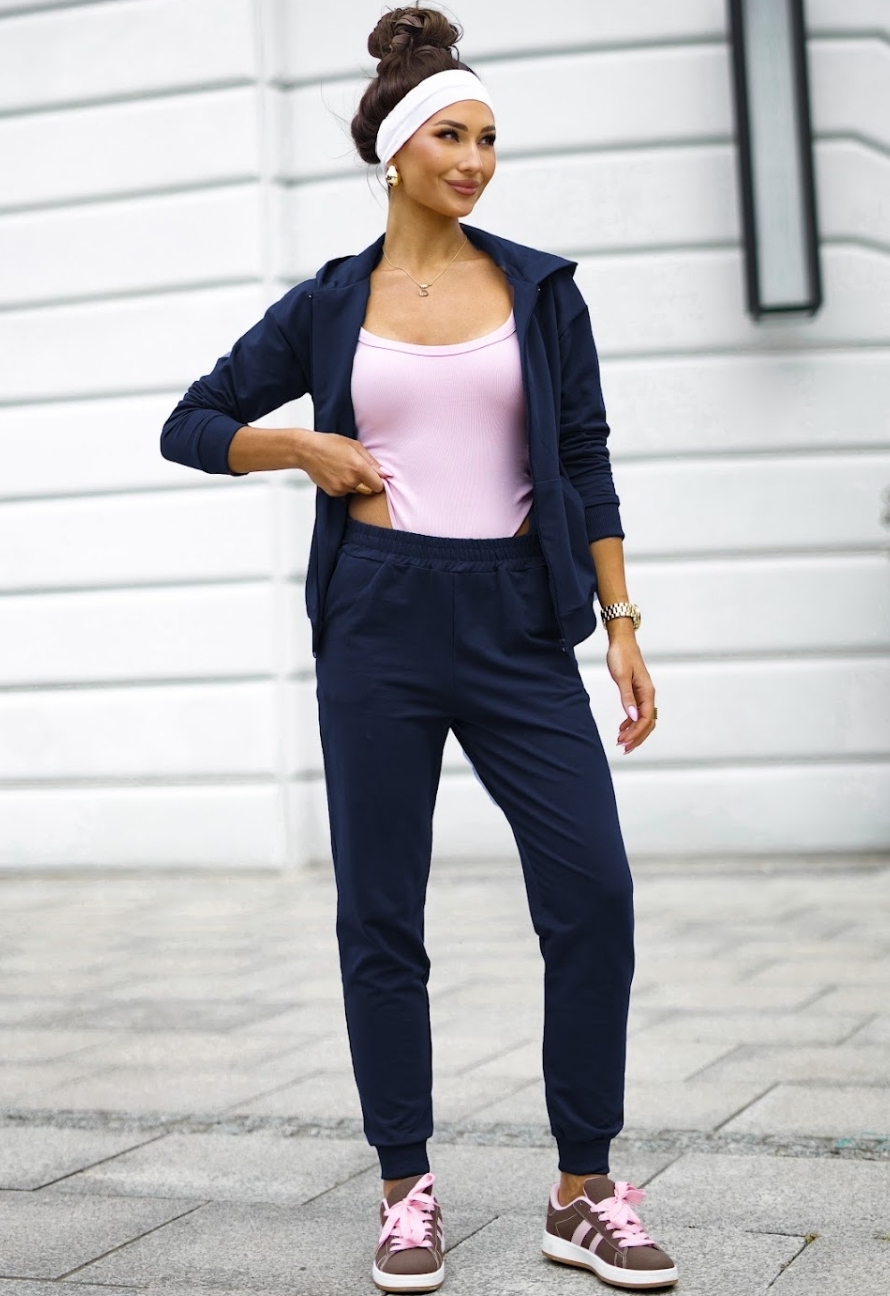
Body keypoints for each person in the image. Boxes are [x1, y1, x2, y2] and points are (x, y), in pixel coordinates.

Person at [160, 7, 677, 1291]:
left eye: (488, 139)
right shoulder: (331, 303)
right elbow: (193, 421)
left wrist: (620, 622)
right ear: (394, 151)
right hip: (378, 616)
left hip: (516, 617)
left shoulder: (538, 290)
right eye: (451, 136)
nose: (475, 159)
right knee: (381, 912)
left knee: (593, 893)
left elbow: (581, 457)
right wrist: (298, 445)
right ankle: (404, 1190)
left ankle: (582, 1190)